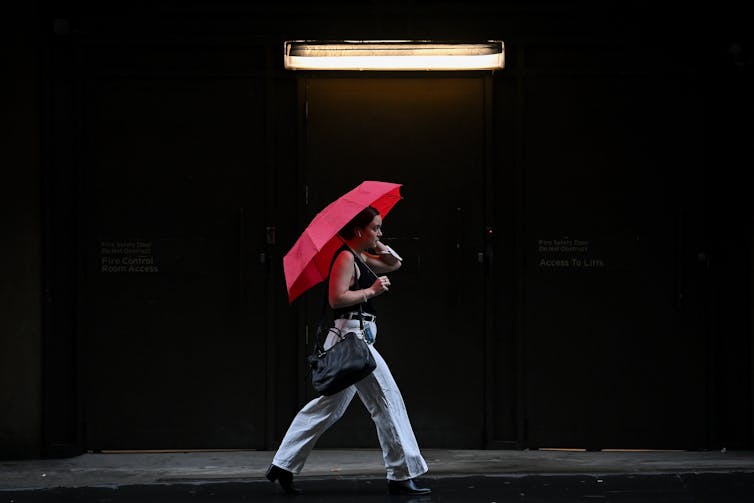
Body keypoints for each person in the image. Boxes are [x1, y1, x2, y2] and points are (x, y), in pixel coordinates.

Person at [266, 205, 431, 495]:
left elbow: (395, 264)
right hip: (353, 339)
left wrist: (378, 242)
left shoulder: (360, 256)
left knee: (328, 407)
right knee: (387, 401)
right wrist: (372, 291)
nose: (380, 232)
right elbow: (336, 298)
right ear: (358, 230)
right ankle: (401, 475)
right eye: (375, 228)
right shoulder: (344, 258)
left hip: (357, 337)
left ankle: (283, 464)